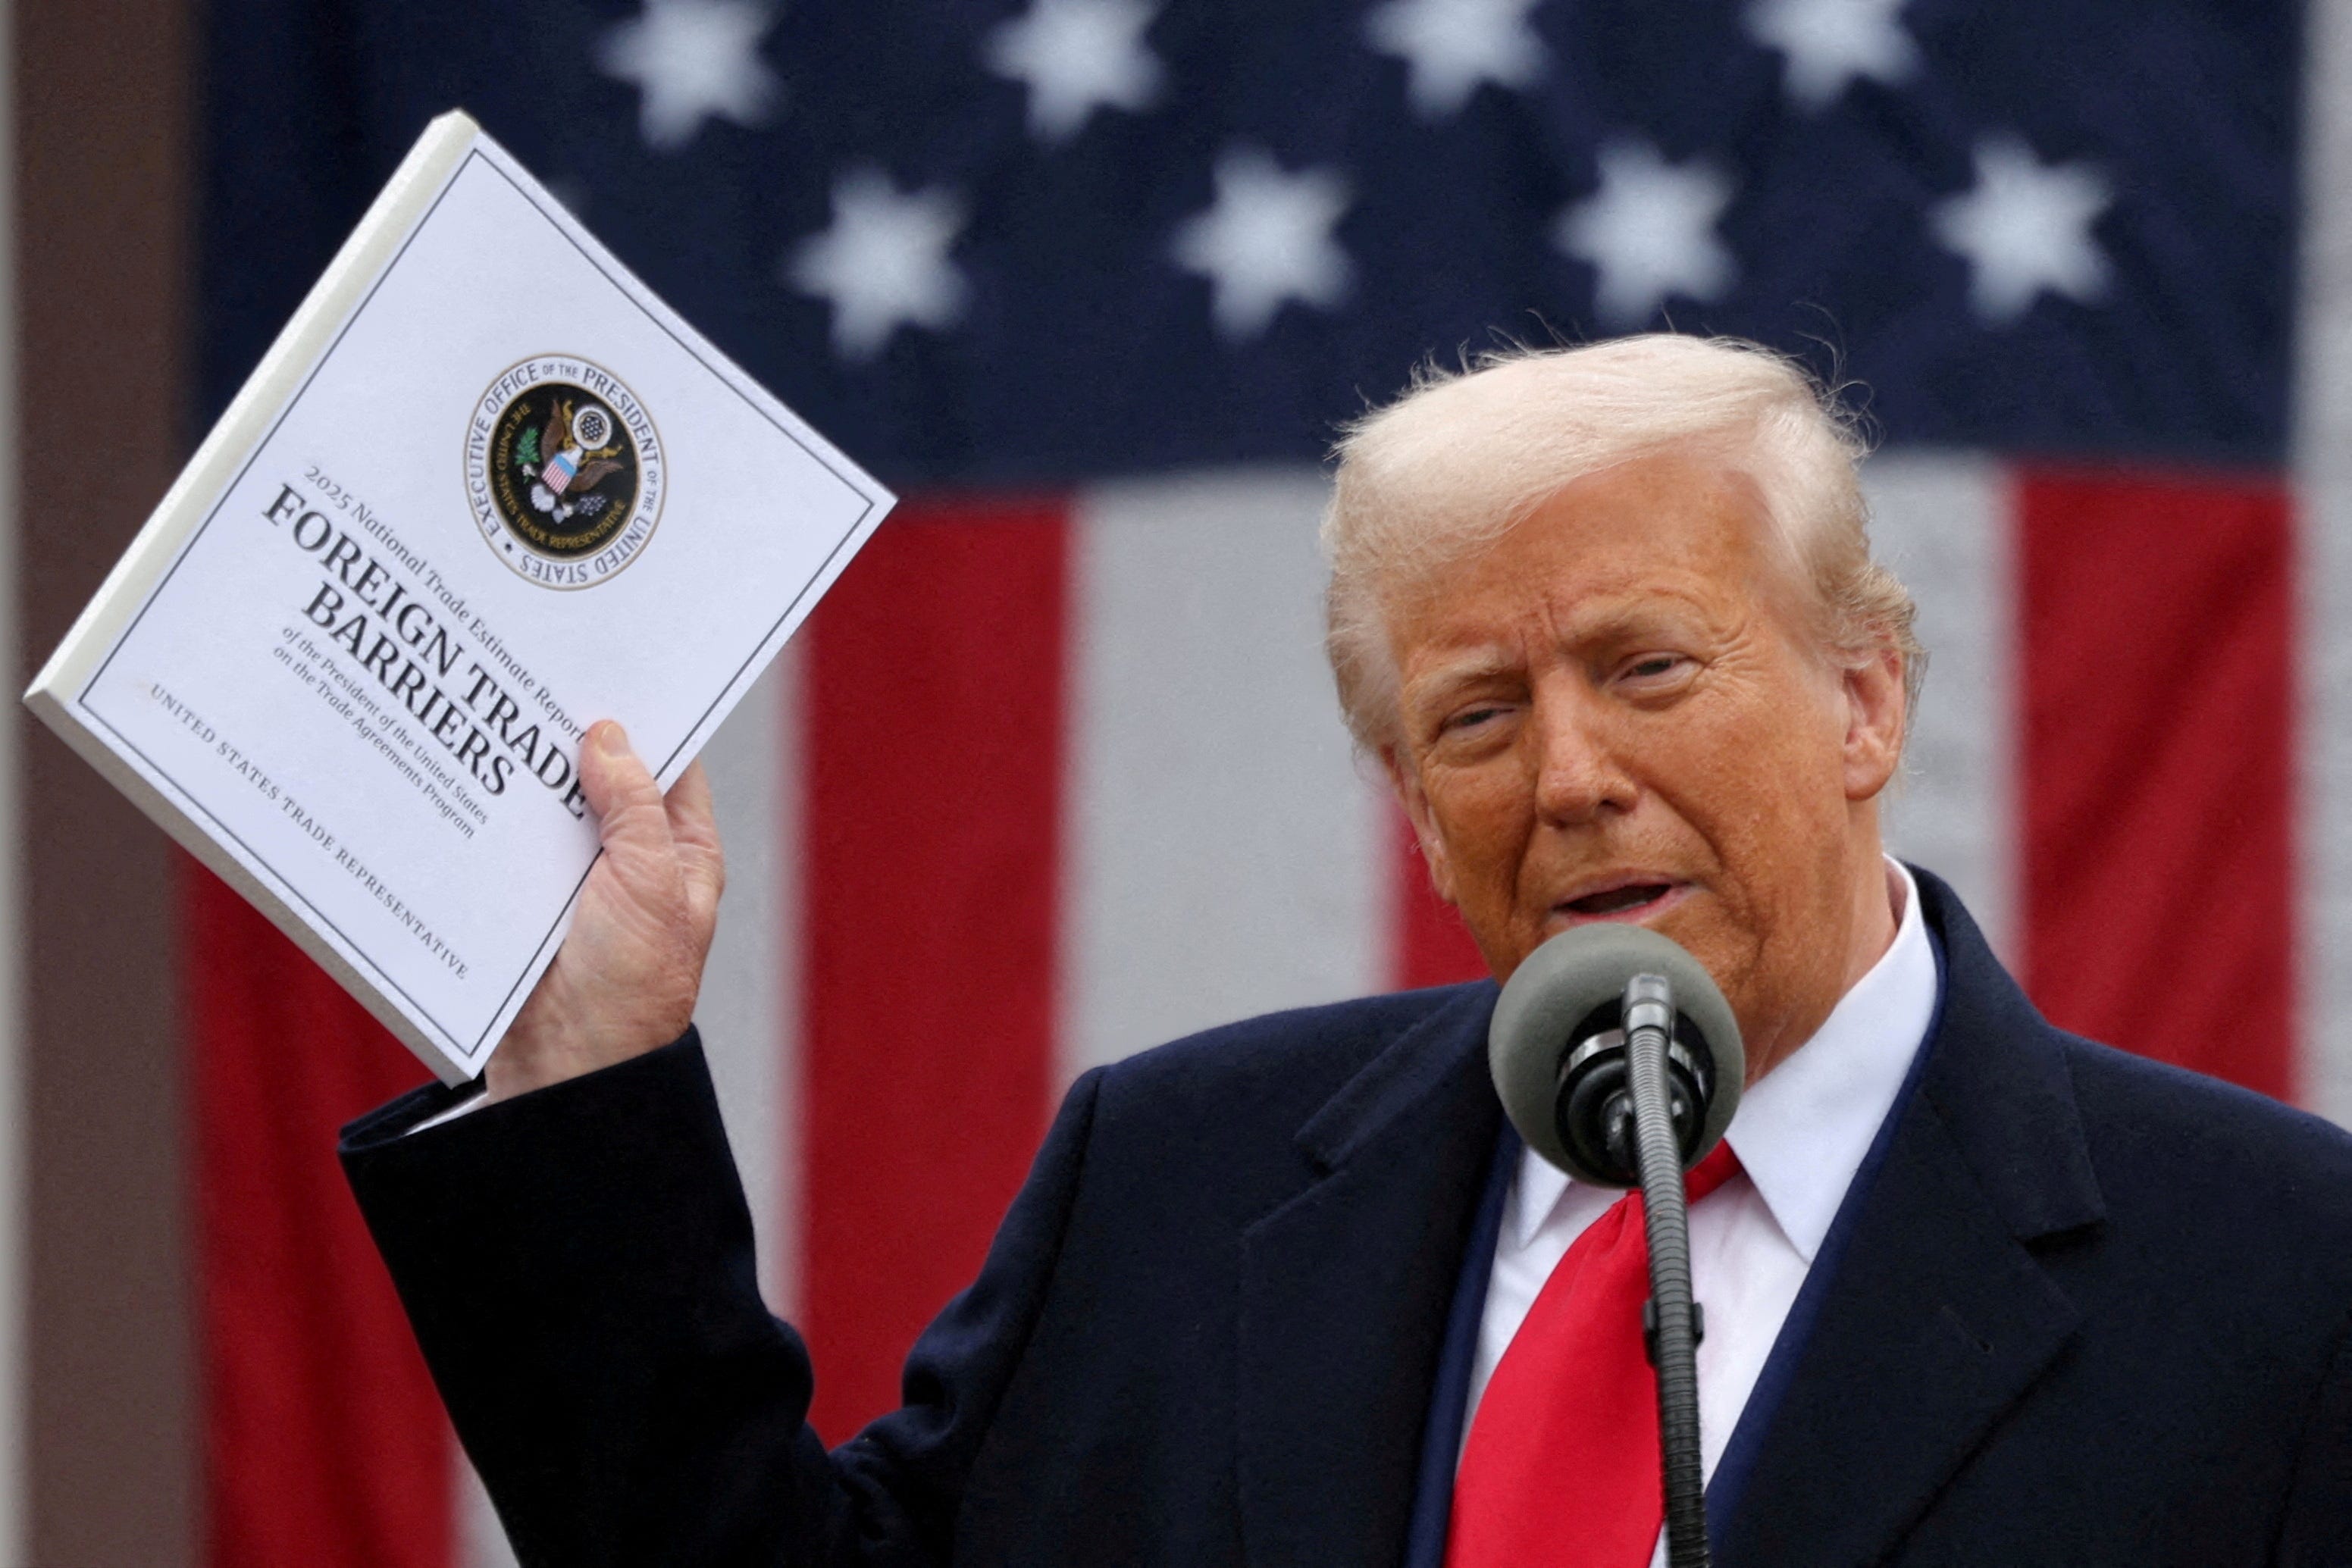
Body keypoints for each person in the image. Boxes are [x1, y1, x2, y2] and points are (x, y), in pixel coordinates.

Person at [343, 335, 2352, 1567]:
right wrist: (593, 1070)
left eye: (1648, 668)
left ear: (1866, 699)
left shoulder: (2275, 1280)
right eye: (1478, 717)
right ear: (1412, 795)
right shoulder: (1180, 1182)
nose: (1569, 777)